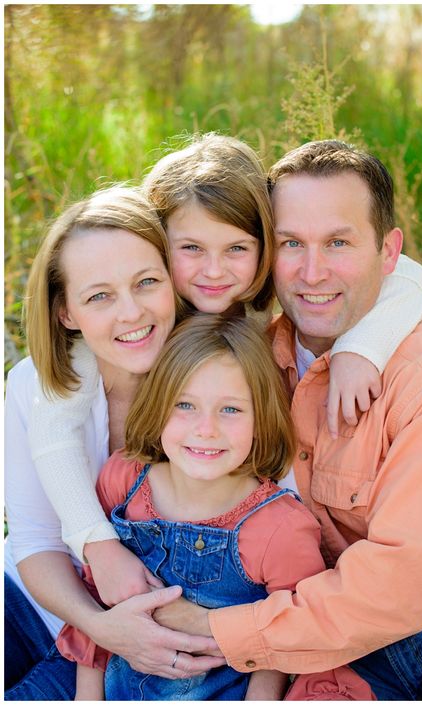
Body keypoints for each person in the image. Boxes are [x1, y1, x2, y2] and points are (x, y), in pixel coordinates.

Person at [5, 135, 422, 698]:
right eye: (190, 249)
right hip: (66, 619)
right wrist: (103, 619)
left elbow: (404, 275)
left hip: (201, 645)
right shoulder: (55, 376)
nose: (212, 271)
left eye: (236, 247)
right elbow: (35, 539)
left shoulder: (243, 359)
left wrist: (362, 347)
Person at [154, 140, 422, 701]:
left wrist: (211, 629)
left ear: (390, 252)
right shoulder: (244, 362)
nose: (312, 271)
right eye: (291, 243)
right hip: (308, 638)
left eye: (339, 243)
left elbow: (397, 589)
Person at [55, 314, 377, 701]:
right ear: (158, 407)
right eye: (185, 405)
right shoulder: (123, 480)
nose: (206, 429)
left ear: (261, 419)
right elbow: (97, 602)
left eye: (230, 410)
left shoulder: (279, 528)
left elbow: (282, 647)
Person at [4, 186, 222, 700]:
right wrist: (100, 628)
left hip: (147, 643)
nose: (131, 313)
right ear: (66, 313)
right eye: (99, 296)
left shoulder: (218, 384)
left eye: (146, 283)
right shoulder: (34, 385)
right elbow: (33, 541)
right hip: (38, 605)